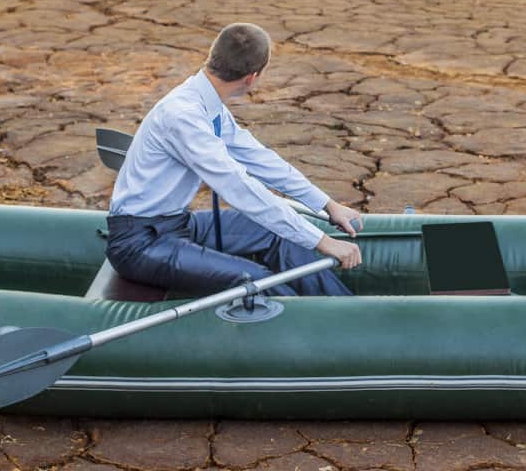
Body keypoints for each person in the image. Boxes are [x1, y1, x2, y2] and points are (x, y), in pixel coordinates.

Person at [106, 23, 362, 297]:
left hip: (176, 224)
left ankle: (346, 313)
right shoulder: (183, 115)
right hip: (140, 243)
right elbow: (238, 186)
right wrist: (322, 241)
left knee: (278, 235)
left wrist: (326, 204)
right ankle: (319, 330)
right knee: (256, 280)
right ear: (253, 77)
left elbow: (259, 158)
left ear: (213, 55)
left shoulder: (205, 102)